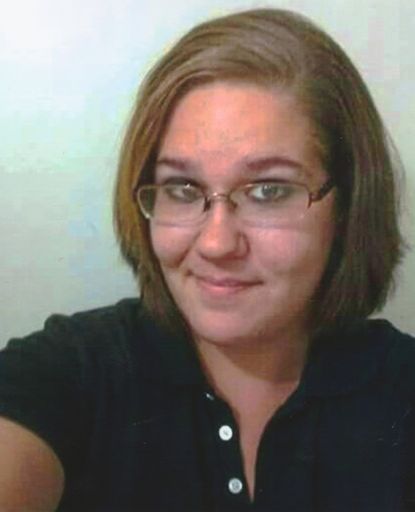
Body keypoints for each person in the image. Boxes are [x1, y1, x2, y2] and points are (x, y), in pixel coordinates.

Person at [0, 7, 413, 512]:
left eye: (268, 190)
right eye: (182, 188)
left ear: (347, 205)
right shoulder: (68, 373)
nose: (216, 244)